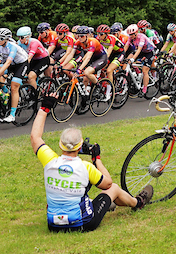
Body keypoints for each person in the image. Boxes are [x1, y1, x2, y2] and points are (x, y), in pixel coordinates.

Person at [31, 90, 152, 232]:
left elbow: (35, 137)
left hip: (54, 225)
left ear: (60, 145)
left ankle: (105, 204)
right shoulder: (85, 167)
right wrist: (97, 159)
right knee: (113, 188)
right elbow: (107, 183)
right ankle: (138, 202)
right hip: (82, 224)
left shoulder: (50, 161)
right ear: (80, 145)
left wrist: (44, 108)